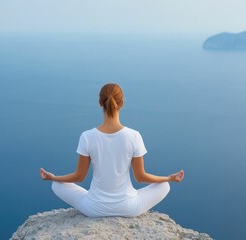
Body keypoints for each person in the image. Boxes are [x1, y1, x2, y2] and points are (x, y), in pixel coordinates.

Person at [40, 83, 184, 217]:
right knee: (164, 185)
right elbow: (140, 177)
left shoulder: (87, 136)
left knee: (56, 185)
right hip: (129, 208)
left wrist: (53, 177)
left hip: (94, 208)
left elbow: (79, 176)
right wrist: (169, 178)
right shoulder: (134, 136)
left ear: (99, 103)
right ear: (122, 103)